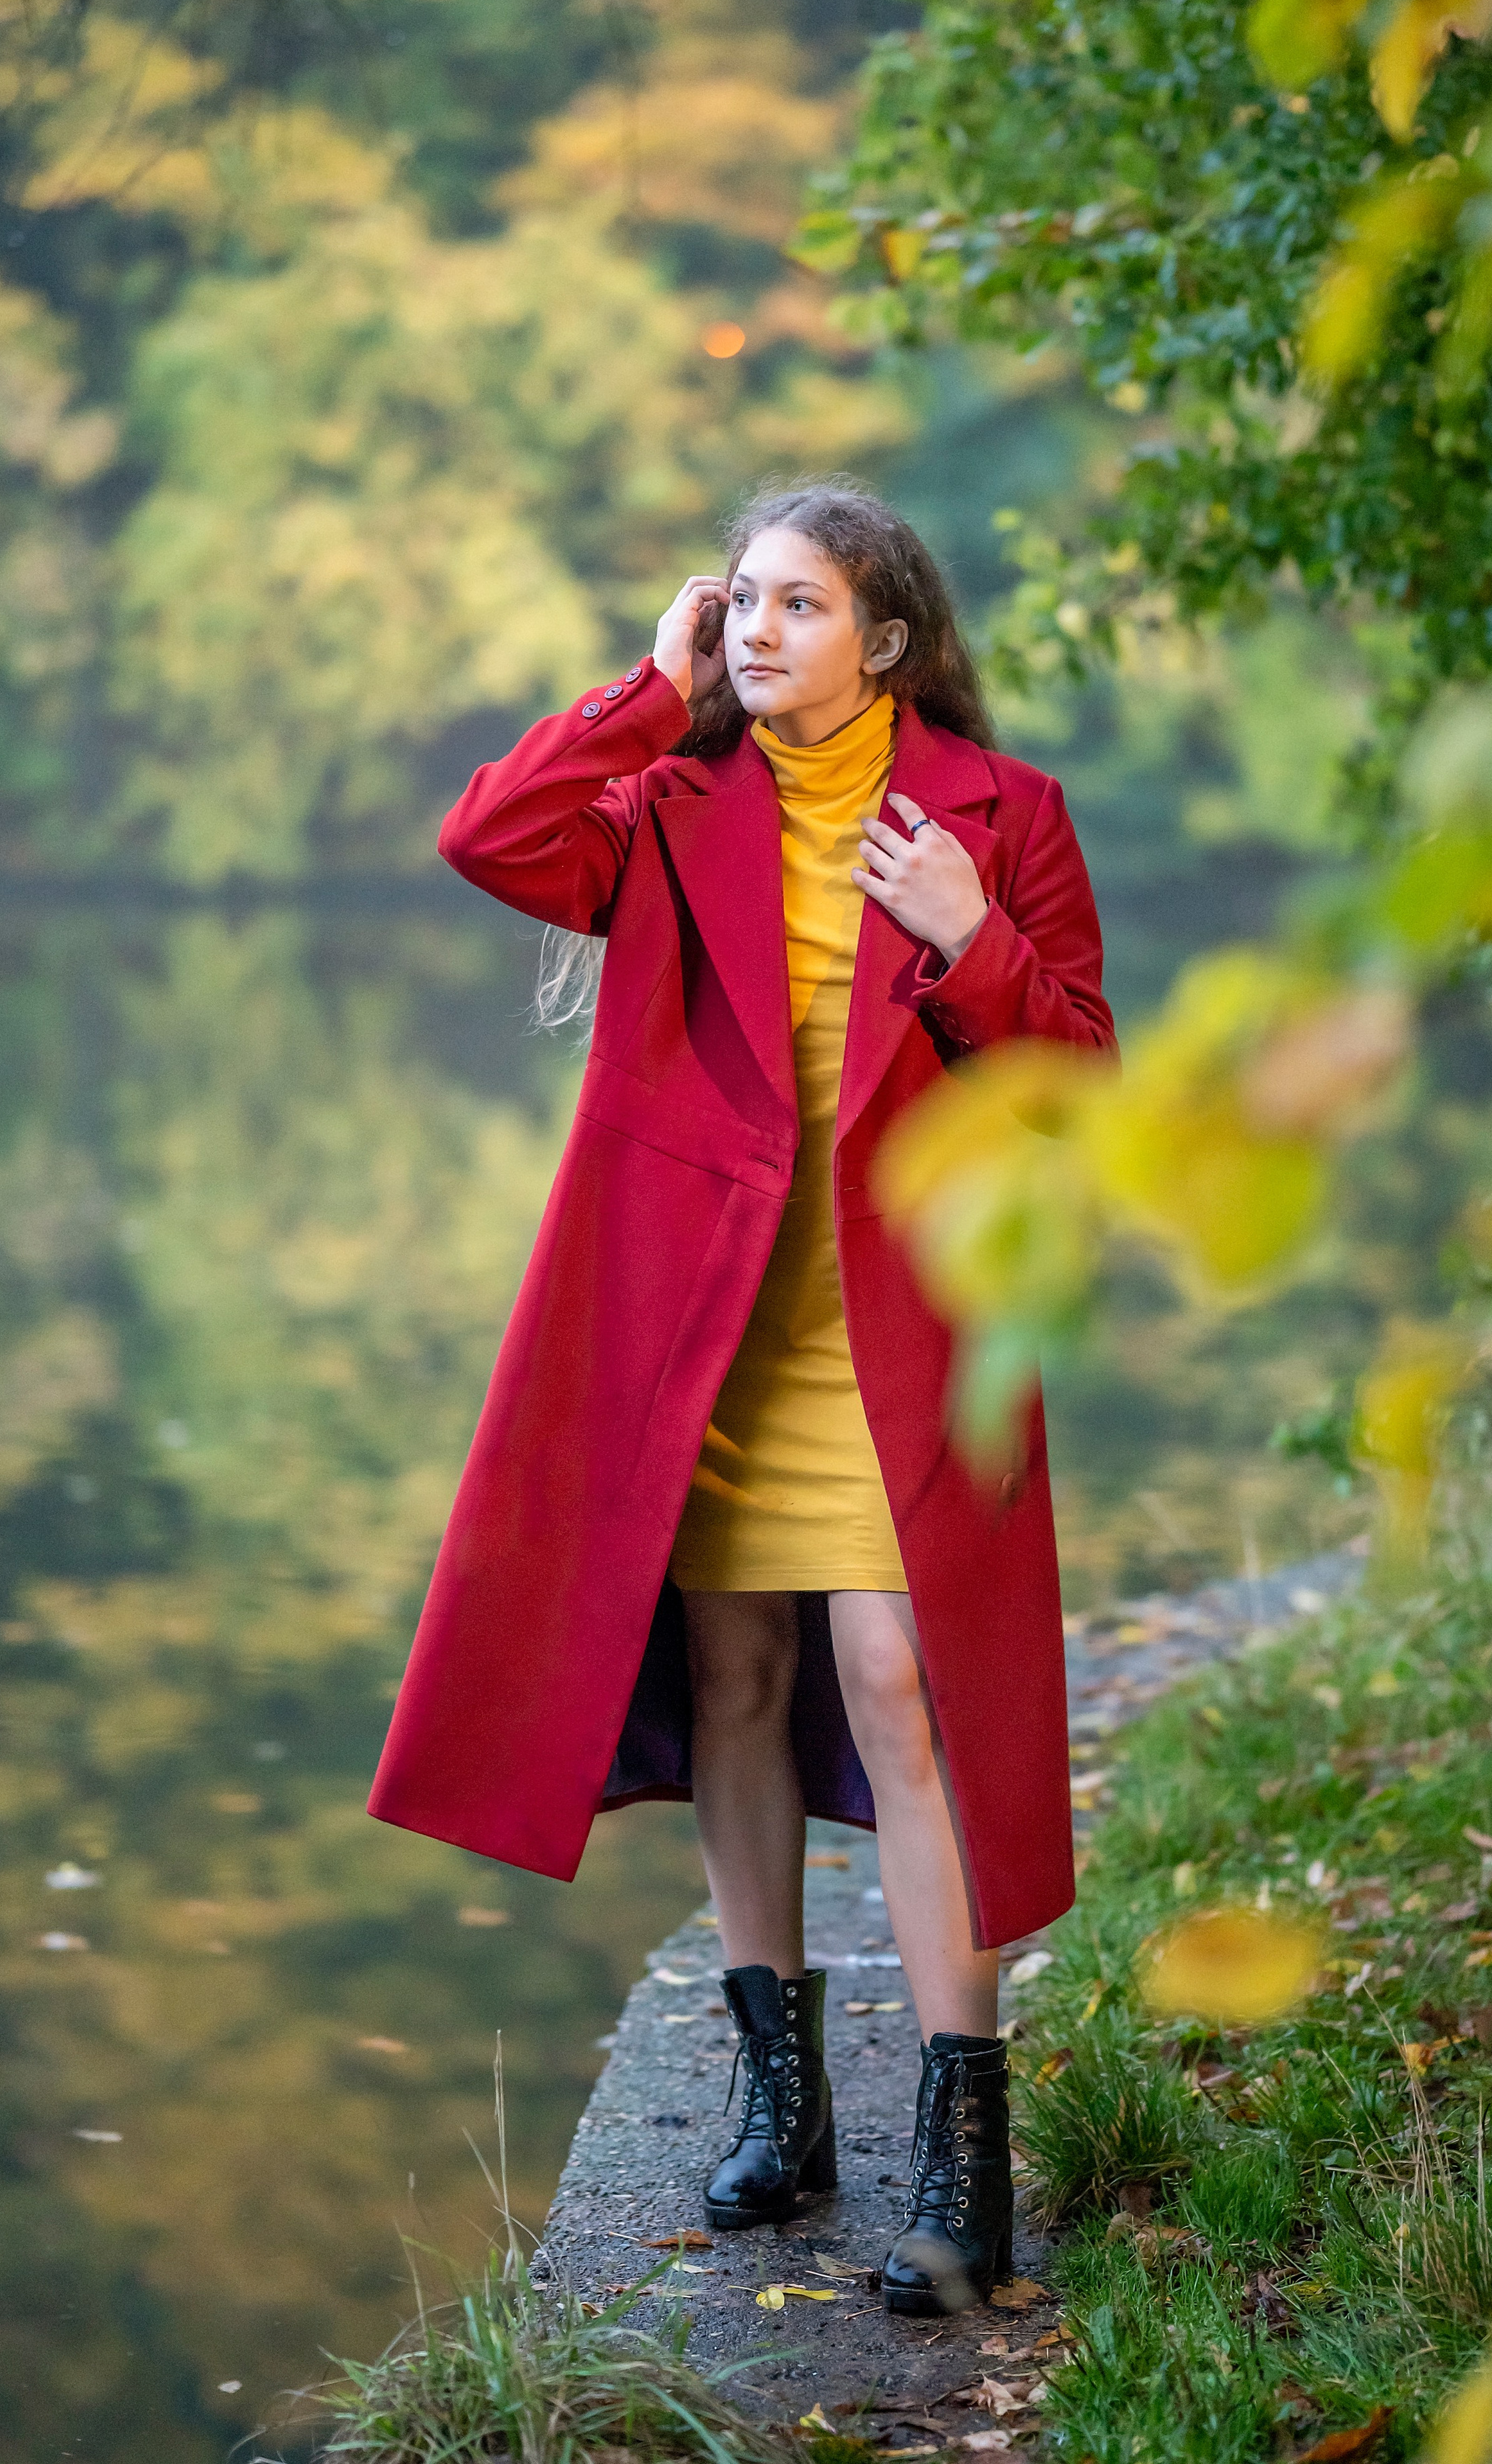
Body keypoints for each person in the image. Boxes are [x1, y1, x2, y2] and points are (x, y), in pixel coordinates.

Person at [370, 477, 1116, 2314]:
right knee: (736, 1679)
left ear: (889, 636)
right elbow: (489, 835)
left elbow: (1081, 1082)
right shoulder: (667, 795)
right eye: (740, 601)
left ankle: (964, 2157)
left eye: (794, 605)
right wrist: (645, 687)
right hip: (695, 1329)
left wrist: (967, 934)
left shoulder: (1002, 817)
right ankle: (782, 2102)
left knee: (897, 1684)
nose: (757, 630)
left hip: (901, 1328)